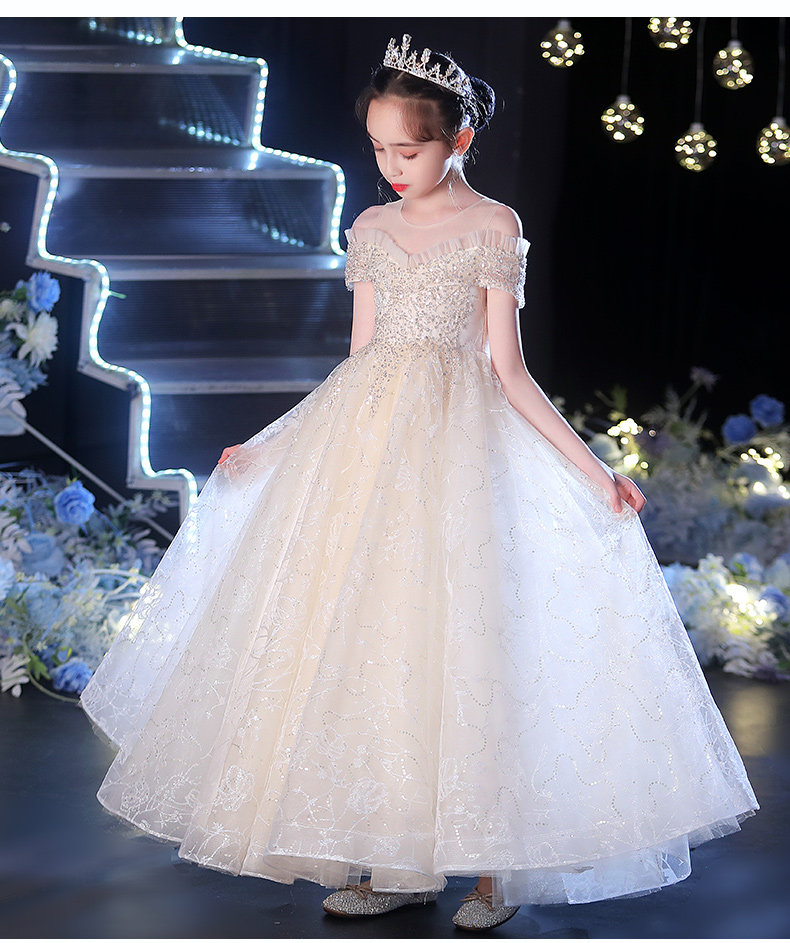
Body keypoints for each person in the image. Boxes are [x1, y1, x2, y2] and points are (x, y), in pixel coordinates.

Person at [79, 31, 759, 933]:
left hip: (465, 453)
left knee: (472, 642)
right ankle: (399, 860)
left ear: (458, 140)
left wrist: (595, 469)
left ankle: (494, 866)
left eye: (409, 149)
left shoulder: (493, 226)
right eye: (378, 149)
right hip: (369, 455)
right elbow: (358, 361)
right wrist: (272, 445)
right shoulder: (370, 229)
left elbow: (509, 369)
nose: (391, 167)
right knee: (378, 641)